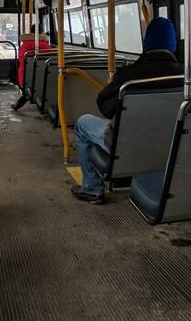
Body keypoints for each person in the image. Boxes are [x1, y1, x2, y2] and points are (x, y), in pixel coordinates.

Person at [71, 17, 183, 203]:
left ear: (147, 43)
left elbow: (105, 108)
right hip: (172, 142)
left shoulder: (129, 76)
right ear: (172, 44)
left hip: (126, 142)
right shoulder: (188, 78)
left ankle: (92, 189)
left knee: (83, 124)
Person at [11, 31, 51, 110]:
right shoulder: (46, 45)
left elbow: (21, 59)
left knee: (28, 84)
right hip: (45, 75)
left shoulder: (24, 46)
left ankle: (22, 100)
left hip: (26, 76)